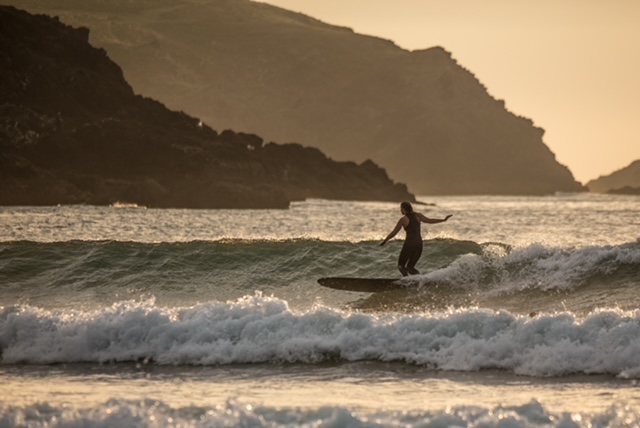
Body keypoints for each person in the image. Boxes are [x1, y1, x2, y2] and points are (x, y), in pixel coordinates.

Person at [380, 201, 452, 276]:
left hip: (410, 243)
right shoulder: (418, 216)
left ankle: (406, 280)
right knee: (410, 267)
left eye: (401, 209)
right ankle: (421, 280)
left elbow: (394, 232)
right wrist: (443, 220)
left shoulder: (403, 219)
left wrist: (385, 240)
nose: (400, 210)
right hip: (419, 243)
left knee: (401, 266)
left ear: (404, 209)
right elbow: (430, 220)